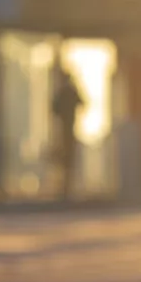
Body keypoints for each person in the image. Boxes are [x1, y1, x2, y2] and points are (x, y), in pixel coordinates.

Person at [51, 66, 83, 200]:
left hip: (66, 130)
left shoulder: (65, 92)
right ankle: (65, 187)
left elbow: (54, 108)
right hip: (65, 130)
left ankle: (67, 187)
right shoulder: (69, 91)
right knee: (66, 158)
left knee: (67, 159)